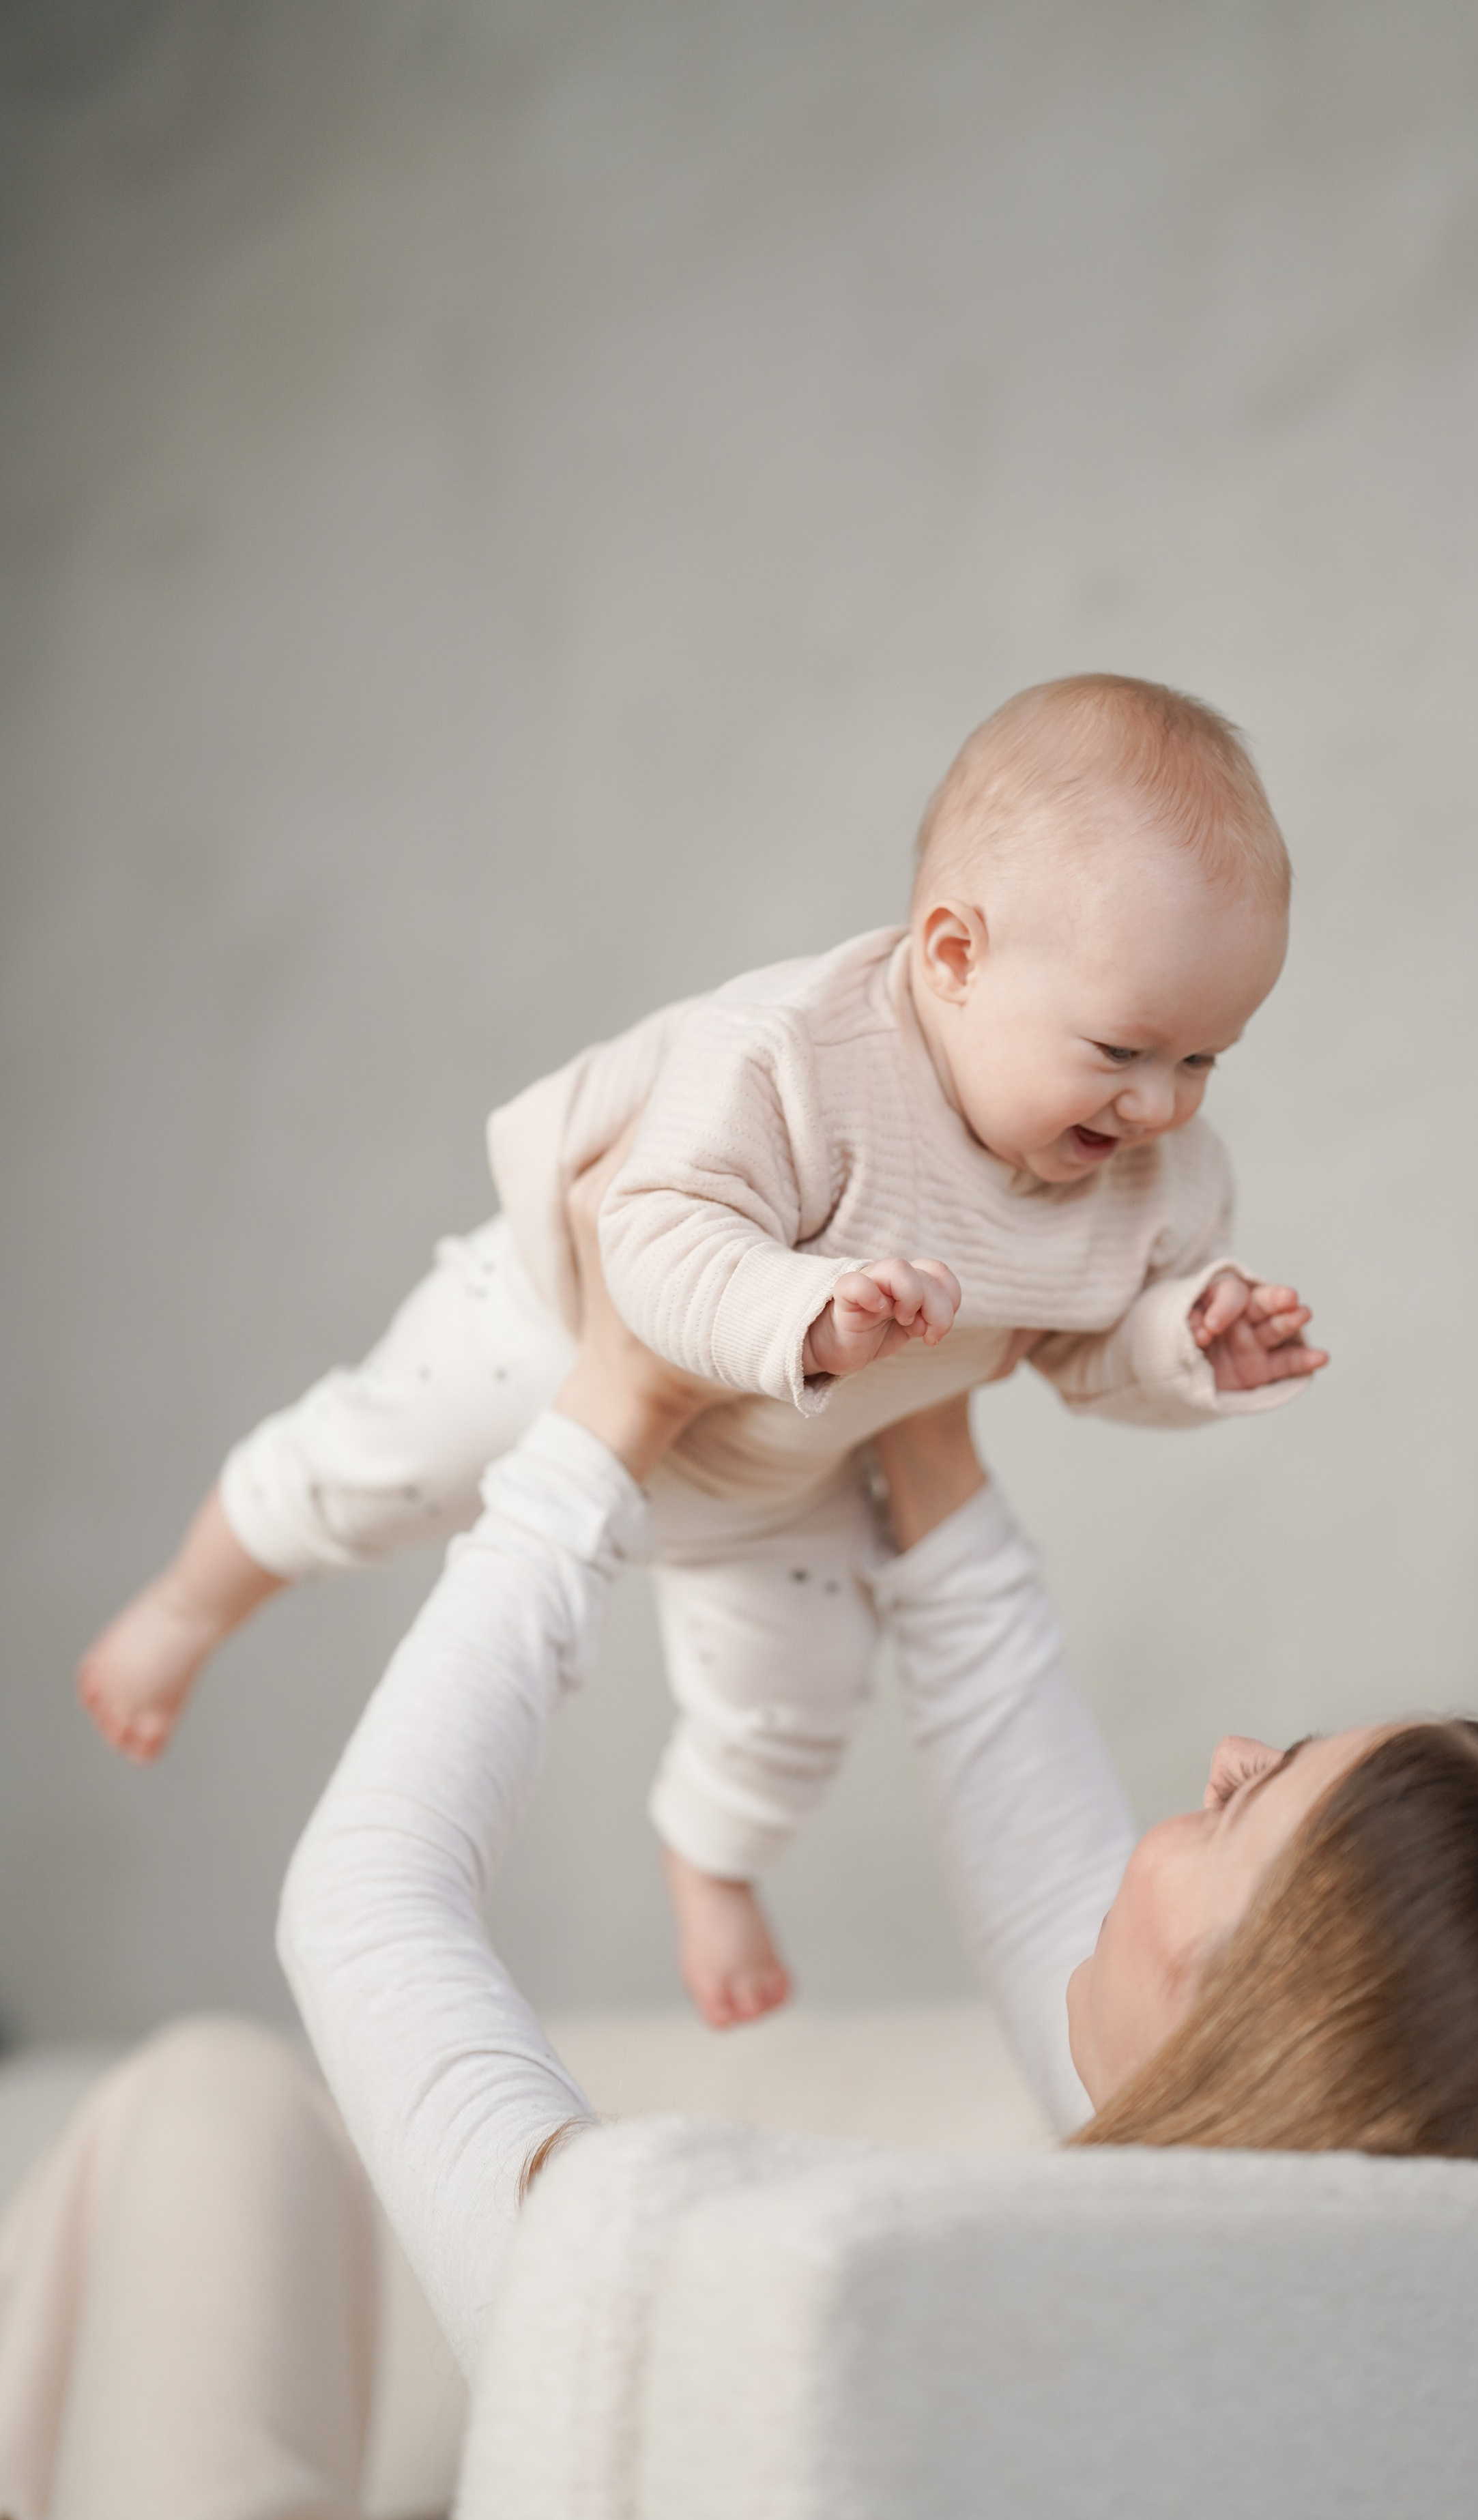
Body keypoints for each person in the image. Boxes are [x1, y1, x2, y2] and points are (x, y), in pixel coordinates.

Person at [279, 1199, 1478, 2381]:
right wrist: (926, 1392)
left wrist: (606, 1420)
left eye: (1244, 1806)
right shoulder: (1337, 2355)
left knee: (214, 2123)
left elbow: (362, 1904)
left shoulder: (751, 2335)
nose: (1227, 1753)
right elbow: (1059, 1926)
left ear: (1233, 2045)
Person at [80, 675, 1327, 2029]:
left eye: (1205, 1060)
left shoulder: (1157, 1183)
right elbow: (652, 1231)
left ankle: (709, 1852)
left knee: (803, 1693)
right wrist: (805, 1312)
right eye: (1123, 1048)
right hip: (557, 1338)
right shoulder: (792, 1058)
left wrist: (1184, 1350)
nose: (1158, 1106)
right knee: (360, 1463)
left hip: (788, 1469)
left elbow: (1078, 1352)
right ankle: (192, 1603)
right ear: (954, 955)